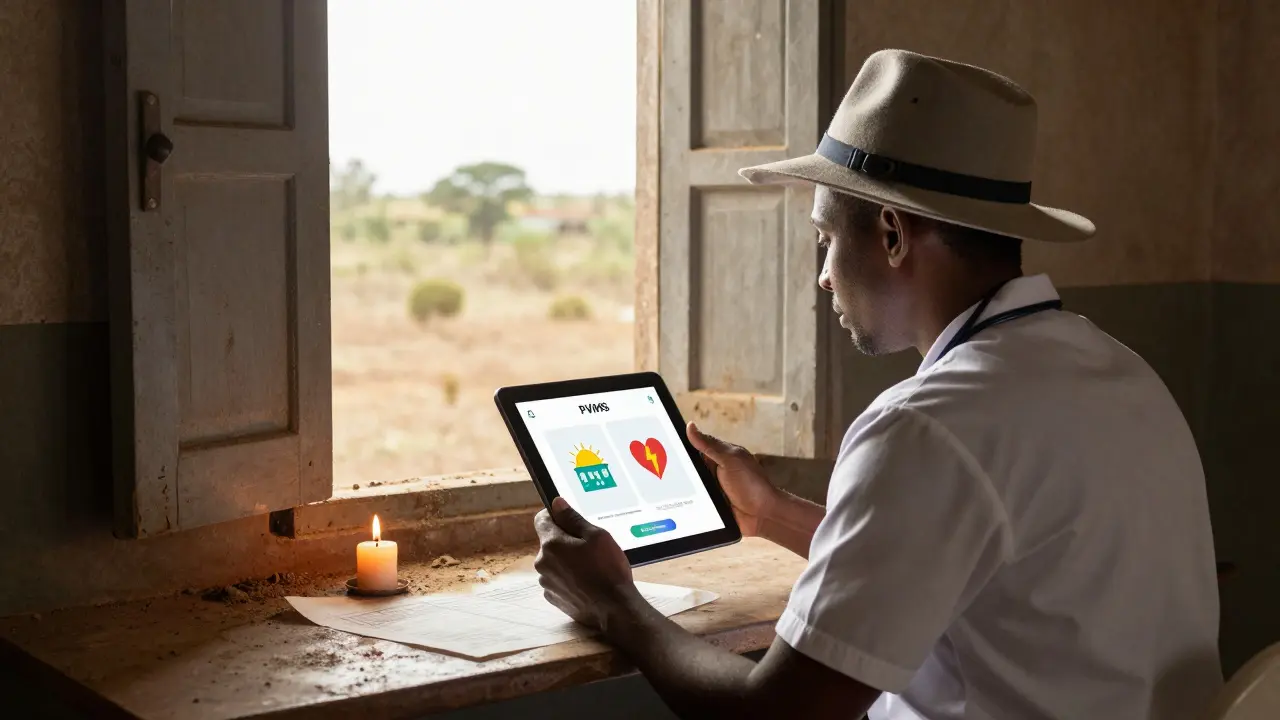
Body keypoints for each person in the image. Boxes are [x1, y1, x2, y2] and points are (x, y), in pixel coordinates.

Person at [533, 49, 1223, 719]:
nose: (825, 275)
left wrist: (611, 604)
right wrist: (772, 515)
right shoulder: (1119, 373)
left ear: (892, 234)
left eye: (825, 238)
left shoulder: (929, 426)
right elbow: (968, 553)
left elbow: (773, 713)